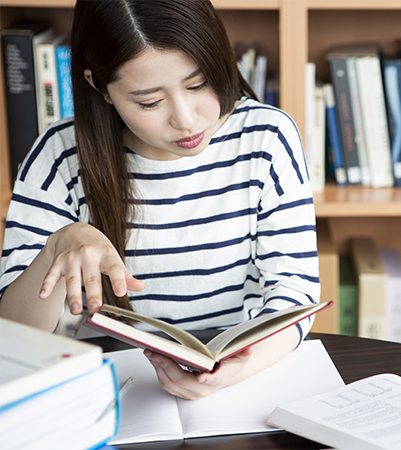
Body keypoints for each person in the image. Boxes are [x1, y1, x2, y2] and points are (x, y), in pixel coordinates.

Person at [0, 0, 319, 400]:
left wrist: (237, 369)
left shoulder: (267, 137)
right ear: (100, 87)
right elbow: (12, 332)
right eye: (149, 102)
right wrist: (56, 248)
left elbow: (294, 292)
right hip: (115, 382)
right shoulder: (59, 156)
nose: (185, 119)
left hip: (243, 375)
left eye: (198, 83)